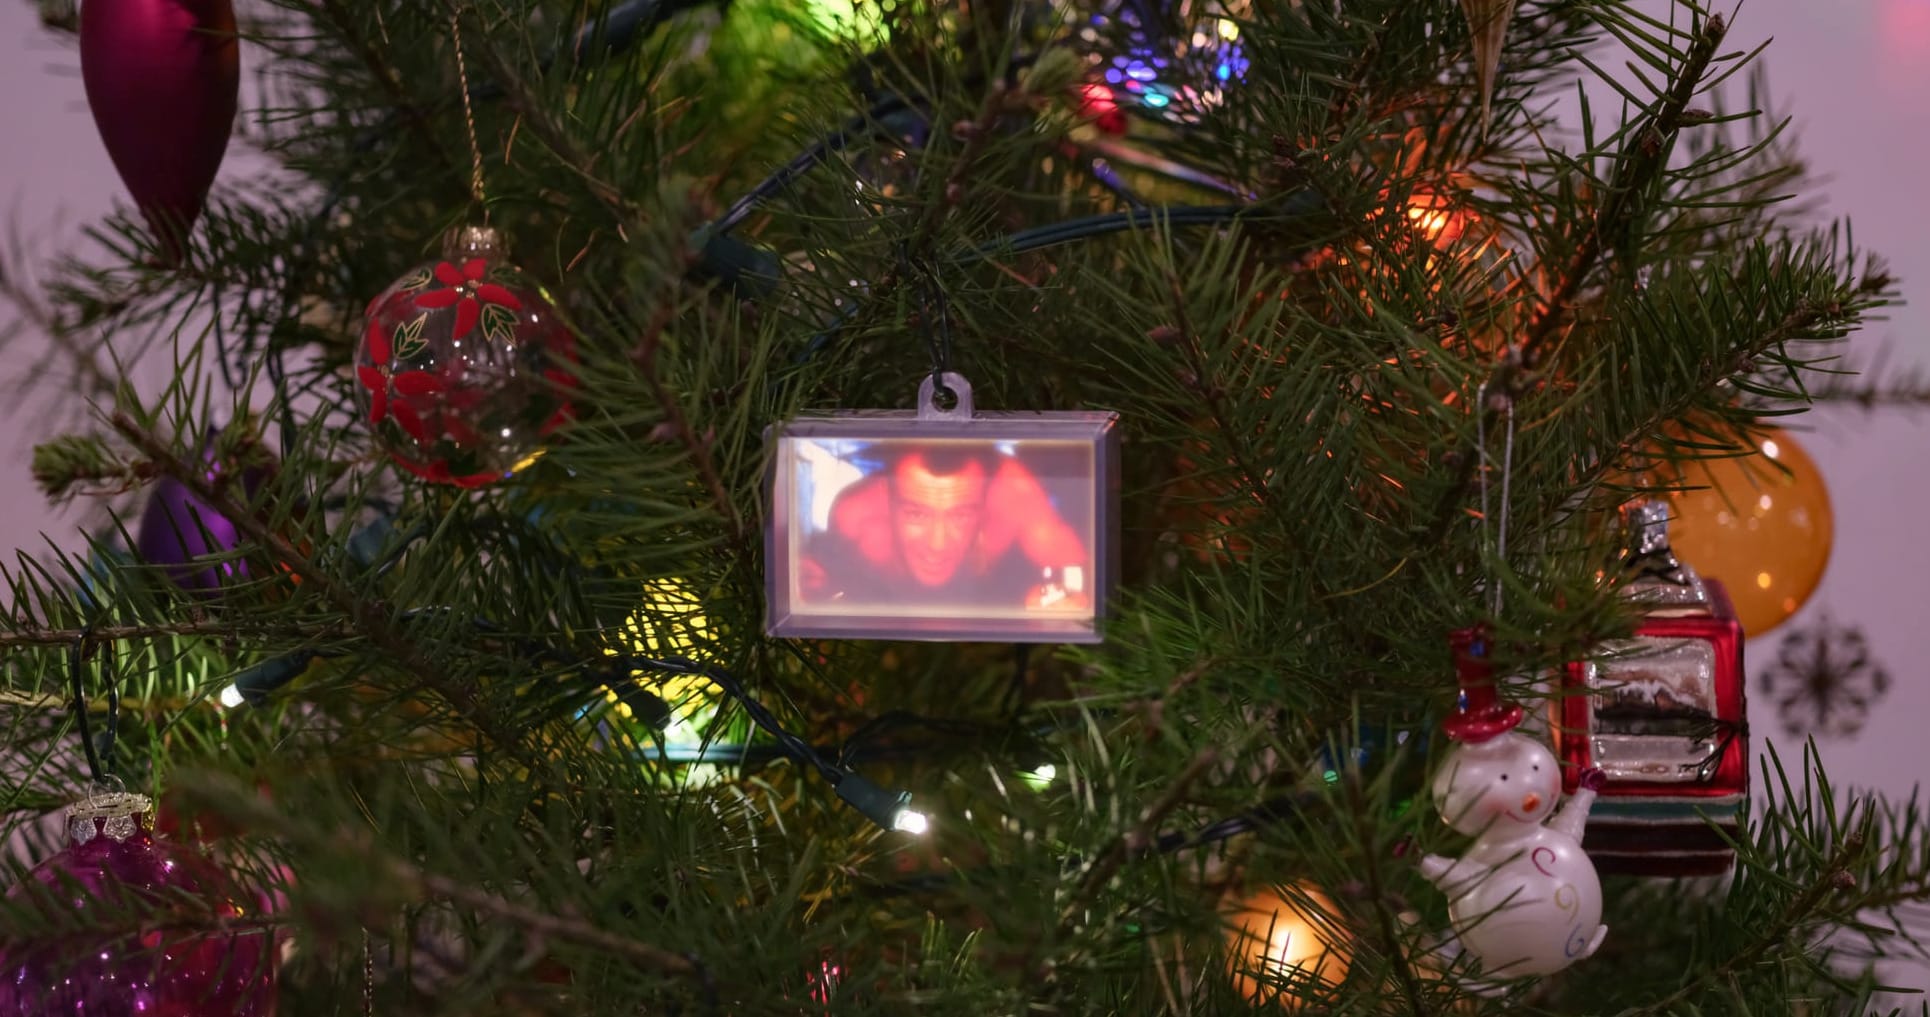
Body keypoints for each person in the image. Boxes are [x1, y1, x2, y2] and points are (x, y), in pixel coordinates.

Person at [797, 443, 1091, 612]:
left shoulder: (1012, 493)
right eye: (916, 515)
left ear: (985, 500)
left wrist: (1062, 602)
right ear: (889, 501)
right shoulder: (857, 517)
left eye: (960, 515)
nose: (937, 544)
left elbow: (1077, 573)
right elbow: (833, 588)